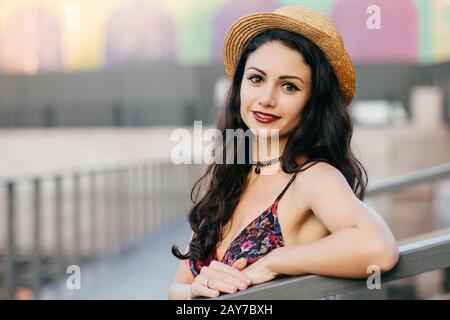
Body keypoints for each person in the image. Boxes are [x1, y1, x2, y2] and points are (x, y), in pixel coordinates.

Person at [168, 6, 399, 300]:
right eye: (256, 79)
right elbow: (176, 289)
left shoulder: (313, 176)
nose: (266, 98)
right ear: (238, 87)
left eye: (289, 86)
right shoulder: (229, 176)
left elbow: (378, 249)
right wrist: (196, 290)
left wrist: (275, 261)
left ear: (312, 102)